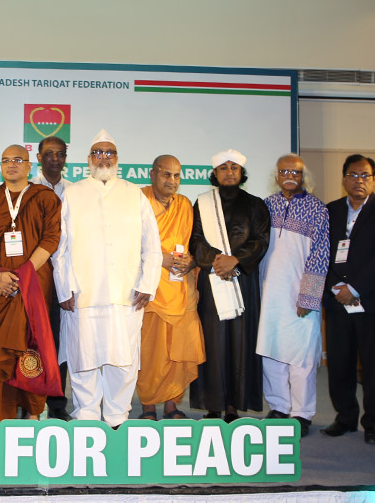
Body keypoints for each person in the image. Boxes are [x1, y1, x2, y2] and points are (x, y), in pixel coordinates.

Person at [53, 130, 162, 426]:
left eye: (109, 153)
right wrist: (64, 287)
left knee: (123, 359)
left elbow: (152, 245)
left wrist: (147, 283)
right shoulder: (72, 193)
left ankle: (117, 416)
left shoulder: (133, 193)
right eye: (98, 153)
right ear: (89, 159)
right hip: (82, 293)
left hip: (126, 294)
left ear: (117, 159)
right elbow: (59, 247)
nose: (104, 157)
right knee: (82, 358)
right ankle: (86, 414)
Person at [0, 145, 62, 428]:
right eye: (7, 161)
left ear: (28, 166)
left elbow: (50, 240)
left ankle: (33, 412)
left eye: (18, 160)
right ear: (1, 167)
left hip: (34, 282)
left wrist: (23, 274)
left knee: (30, 344)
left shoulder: (44, 197)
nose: (12, 165)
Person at [321, 155, 375, 445]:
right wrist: (335, 287)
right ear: (343, 179)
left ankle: (373, 422)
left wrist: (353, 288)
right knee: (339, 362)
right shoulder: (330, 211)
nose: (359, 181)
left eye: (365, 176)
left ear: (374, 180)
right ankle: (344, 418)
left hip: (370, 301)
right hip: (336, 301)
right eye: (353, 175)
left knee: (372, 366)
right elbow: (322, 253)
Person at [189, 149, 270, 422]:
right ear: (215, 174)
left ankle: (235, 405)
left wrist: (235, 260)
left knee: (239, 340)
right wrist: (216, 262)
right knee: (213, 340)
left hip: (242, 282)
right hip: (212, 280)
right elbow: (195, 239)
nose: (229, 172)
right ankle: (213, 405)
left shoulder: (256, 205)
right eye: (223, 168)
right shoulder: (201, 203)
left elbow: (261, 240)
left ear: (241, 173)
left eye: (234, 167)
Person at [256, 154, 329, 437]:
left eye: (295, 172)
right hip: (269, 292)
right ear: (276, 176)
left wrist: (308, 297)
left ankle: (301, 412)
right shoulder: (267, 205)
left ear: (303, 177)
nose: (289, 176)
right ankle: (278, 406)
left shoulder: (317, 209)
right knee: (271, 350)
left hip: (300, 295)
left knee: (302, 356)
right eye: (284, 171)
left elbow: (320, 255)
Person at [137, 155, 205, 420]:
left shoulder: (185, 205)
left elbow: (193, 241)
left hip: (181, 287)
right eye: (166, 175)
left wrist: (192, 260)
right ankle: (148, 407)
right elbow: (125, 241)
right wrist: (158, 257)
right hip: (151, 288)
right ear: (152, 174)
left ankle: (171, 405)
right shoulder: (138, 201)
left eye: (177, 176)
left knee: (179, 349)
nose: (172, 181)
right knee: (150, 350)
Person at [36, 134, 72, 420]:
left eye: (59, 154)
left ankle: (58, 405)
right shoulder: (27, 190)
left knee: (61, 342)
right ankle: (31, 404)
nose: (54, 159)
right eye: (49, 154)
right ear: (38, 157)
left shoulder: (75, 191)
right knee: (33, 341)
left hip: (67, 278)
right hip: (35, 275)